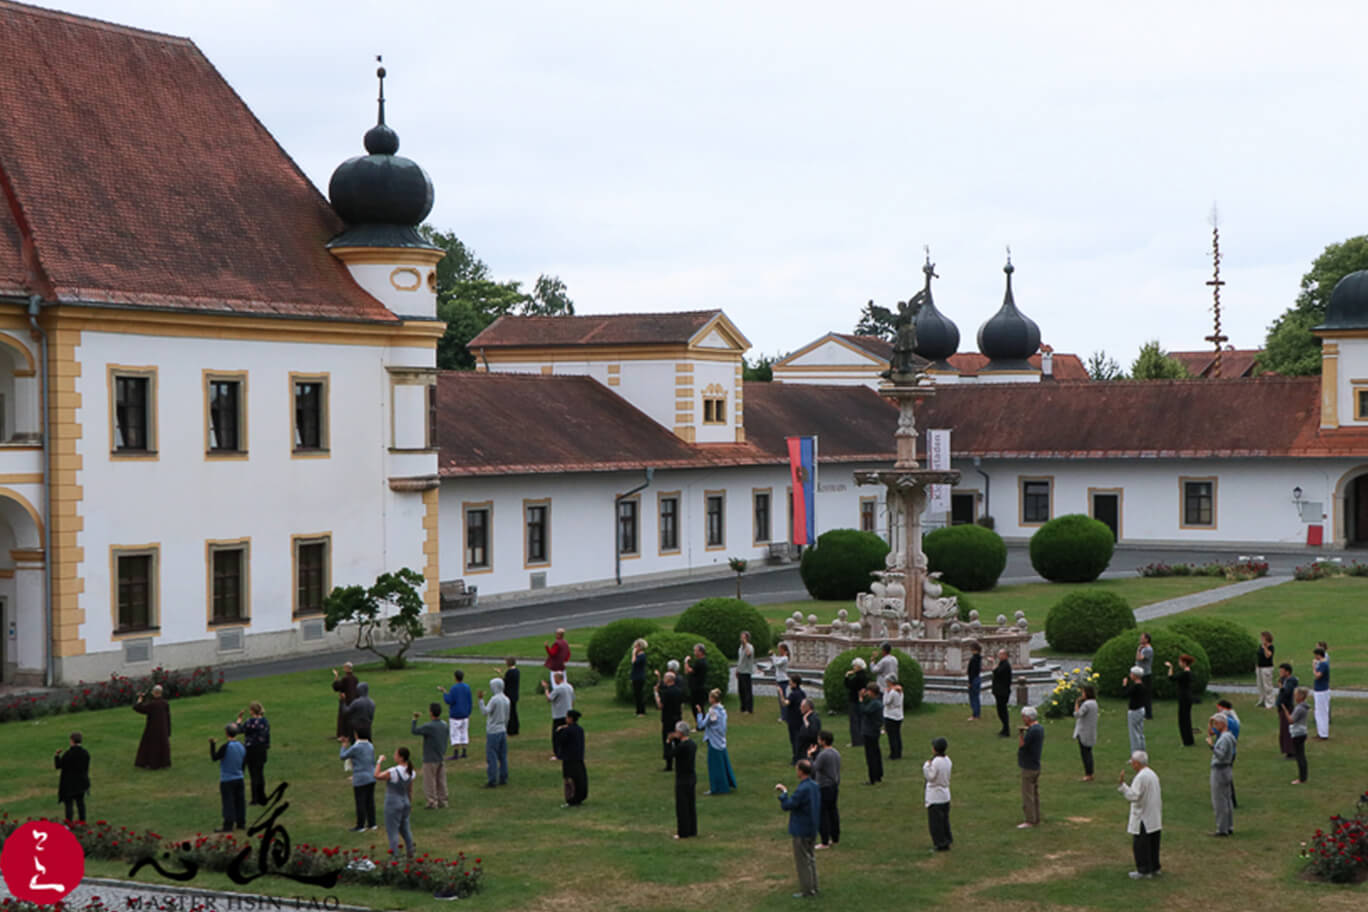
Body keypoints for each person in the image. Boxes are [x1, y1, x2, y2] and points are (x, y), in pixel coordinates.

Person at [776, 758, 822, 898]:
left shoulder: (802, 789)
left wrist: (784, 793)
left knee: (802, 862)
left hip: (801, 829)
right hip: (812, 827)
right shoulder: (814, 786)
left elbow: (788, 805)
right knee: (811, 858)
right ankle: (814, 886)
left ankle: (807, 890)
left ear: (801, 771)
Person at [1117, 750, 1162, 879]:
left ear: (1137, 763)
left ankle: (1143, 870)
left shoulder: (1141, 777)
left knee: (1141, 845)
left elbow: (1134, 796)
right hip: (1153, 814)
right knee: (1153, 843)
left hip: (1143, 816)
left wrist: (1123, 786)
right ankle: (1154, 867)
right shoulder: (1152, 774)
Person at [375, 746, 415, 859]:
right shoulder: (411, 772)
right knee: (406, 830)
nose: (394, 756)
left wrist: (379, 761)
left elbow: (377, 775)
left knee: (392, 832)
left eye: (396, 754)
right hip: (405, 802)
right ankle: (411, 852)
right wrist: (409, 803)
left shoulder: (393, 771)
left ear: (401, 758)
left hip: (393, 803)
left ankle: (395, 858)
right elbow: (410, 790)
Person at [696, 689, 737, 796]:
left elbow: (701, 725)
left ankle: (717, 787)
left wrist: (700, 714)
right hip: (721, 739)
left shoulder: (713, 712)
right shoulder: (723, 710)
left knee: (714, 765)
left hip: (714, 740)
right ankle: (728, 782)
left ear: (713, 699)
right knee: (723, 763)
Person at [411, 703, 449, 810]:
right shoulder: (444, 724)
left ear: (431, 712)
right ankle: (443, 800)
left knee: (429, 781)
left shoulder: (429, 726)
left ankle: (432, 802)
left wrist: (414, 719)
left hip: (430, 758)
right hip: (440, 756)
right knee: (441, 780)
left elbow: (414, 731)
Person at [210, 724, 246, 833]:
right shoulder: (241, 746)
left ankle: (228, 825)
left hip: (227, 779)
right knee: (240, 801)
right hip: (239, 777)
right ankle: (241, 823)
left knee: (228, 802)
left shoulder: (226, 747)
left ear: (226, 733)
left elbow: (214, 757)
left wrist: (212, 745)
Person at [339, 729, 377, 831]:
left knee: (360, 801)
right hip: (371, 776)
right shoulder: (370, 745)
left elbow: (343, 756)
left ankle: (360, 825)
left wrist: (343, 745)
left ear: (357, 735)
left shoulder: (356, 747)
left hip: (360, 777)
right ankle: (372, 823)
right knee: (370, 801)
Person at [809, 731, 840, 849]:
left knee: (822, 814)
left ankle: (824, 841)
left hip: (824, 787)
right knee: (833, 812)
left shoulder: (823, 755)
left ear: (823, 741)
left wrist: (810, 756)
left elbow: (813, 769)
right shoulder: (836, 752)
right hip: (834, 786)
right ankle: (835, 838)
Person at [666, 721, 697, 838]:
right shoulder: (692, 744)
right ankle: (692, 829)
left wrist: (669, 742)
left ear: (680, 732)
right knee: (690, 805)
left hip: (682, 778)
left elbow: (668, 755)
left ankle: (683, 831)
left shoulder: (682, 747)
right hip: (691, 776)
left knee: (682, 806)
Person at [235, 701, 270, 806]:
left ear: (252, 711)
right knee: (260, 774)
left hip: (251, 750)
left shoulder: (250, 722)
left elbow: (239, 730)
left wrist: (239, 720)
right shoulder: (265, 722)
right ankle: (262, 796)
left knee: (253, 774)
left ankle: (254, 798)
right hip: (262, 750)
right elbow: (267, 736)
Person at [1206, 714, 1235, 836]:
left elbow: (1221, 754)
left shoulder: (1224, 739)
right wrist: (1210, 721)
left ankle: (1222, 829)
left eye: (1216, 724)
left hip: (1219, 770)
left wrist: (1211, 746)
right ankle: (1229, 826)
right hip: (1227, 769)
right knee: (1227, 799)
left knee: (1219, 801)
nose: (1215, 727)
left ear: (1223, 724)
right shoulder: (1229, 736)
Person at [477, 679, 510, 788]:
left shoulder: (494, 699)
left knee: (492, 756)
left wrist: (481, 700)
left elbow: (485, 712)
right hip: (502, 729)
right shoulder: (506, 699)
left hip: (493, 730)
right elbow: (507, 717)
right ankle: (503, 777)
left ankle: (492, 780)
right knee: (503, 756)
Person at [923, 737, 953, 851]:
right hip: (945, 794)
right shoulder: (947, 760)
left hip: (935, 795)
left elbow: (930, 777)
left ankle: (940, 843)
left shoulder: (936, 762)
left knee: (935, 822)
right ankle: (947, 839)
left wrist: (926, 766)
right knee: (944, 820)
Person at [54, 732, 90, 822]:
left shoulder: (69, 754)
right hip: (82, 782)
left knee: (69, 805)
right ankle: (83, 822)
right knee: (80, 804)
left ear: (72, 741)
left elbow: (59, 765)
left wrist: (57, 756)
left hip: (69, 784)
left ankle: (69, 823)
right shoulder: (85, 753)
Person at [133, 685, 172, 769]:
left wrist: (140, 698)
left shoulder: (152, 704)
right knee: (162, 745)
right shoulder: (165, 703)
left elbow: (138, 707)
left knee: (151, 745)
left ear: (154, 693)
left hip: (152, 728)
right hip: (163, 728)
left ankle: (152, 763)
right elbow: (168, 717)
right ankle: (164, 763)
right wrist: (168, 730)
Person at [1017, 706, 1044, 828]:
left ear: (1028, 718)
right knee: (1034, 794)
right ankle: (1036, 817)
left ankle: (1029, 820)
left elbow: (1022, 746)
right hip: (1036, 766)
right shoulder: (1039, 728)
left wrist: (1021, 734)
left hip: (1028, 767)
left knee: (1027, 794)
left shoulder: (1032, 731)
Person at [555, 709, 588, 807]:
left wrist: (559, 730)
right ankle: (579, 797)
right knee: (580, 779)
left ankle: (571, 799)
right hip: (578, 758)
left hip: (569, 759)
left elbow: (560, 741)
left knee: (569, 779)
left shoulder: (567, 731)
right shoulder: (580, 730)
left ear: (570, 718)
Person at [655, 670, 686, 771]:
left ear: (668, 680)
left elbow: (660, 706)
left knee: (668, 741)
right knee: (678, 740)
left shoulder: (666, 693)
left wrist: (656, 694)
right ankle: (680, 762)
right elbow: (682, 705)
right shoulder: (679, 691)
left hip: (668, 719)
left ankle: (669, 764)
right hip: (677, 718)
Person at [541, 671, 575, 760]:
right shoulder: (570, 686)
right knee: (568, 734)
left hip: (559, 714)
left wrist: (546, 688)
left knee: (557, 736)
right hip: (568, 713)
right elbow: (573, 700)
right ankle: (568, 751)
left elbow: (549, 698)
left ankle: (558, 754)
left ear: (557, 678)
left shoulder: (558, 688)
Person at [439, 670, 473, 760]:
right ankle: (464, 752)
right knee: (464, 732)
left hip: (455, 715)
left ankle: (456, 753)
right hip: (465, 714)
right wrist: (468, 712)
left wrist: (445, 693)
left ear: (455, 677)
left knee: (455, 734)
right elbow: (470, 701)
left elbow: (449, 701)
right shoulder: (467, 687)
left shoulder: (454, 688)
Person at [1164, 654, 1196, 747]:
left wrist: (1170, 667)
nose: (1179, 663)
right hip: (1188, 697)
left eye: (1180, 661)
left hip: (1184, 698)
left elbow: (1171, 677)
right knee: (1187, 719)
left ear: (1184, 663)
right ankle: (1189, 740)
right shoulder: (1189, 673)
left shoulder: (1184, 674)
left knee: (1183, 720)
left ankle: (1187, 741)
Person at [1282, 687, 1311, 785]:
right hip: (1302, 732)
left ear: (1300, 696)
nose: (1294, 697)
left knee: (1300, 756)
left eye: (1296, 695)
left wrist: (1285, 711)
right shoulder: (1303, 707)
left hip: (1298, 733)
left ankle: (1302, 778)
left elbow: (1291, 720)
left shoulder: (1299, 708)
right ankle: (1303, 777)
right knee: (1301, 755)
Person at [858, 682, 884, 785]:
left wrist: (860, 699)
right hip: (873, 731)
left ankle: (872, 777)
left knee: (871, 755)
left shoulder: (875, 703)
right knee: (876, 753)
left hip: (870, 732)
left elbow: (864, 710)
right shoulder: (876, 702)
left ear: (872, 692)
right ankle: (878, 775)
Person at [1072, 685, 1098, 781]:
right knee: (1088, 752)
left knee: (1085, 753)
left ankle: (1088, 773)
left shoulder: (1087, 704)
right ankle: (1090, 772)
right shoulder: (1094, 703)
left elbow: (1077, 714)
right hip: (1090, 730)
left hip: (1083, 731)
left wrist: (1077, 703)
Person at [843, 658, 869, 747]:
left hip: (854, 700)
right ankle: (862, 740)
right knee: (861, 720)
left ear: (859, 667)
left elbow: (849, 685)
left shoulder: (858, 677)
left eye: (855, 666)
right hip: (861, 700)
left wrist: (846, 676)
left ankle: (856, 741)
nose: (853, 667)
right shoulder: (865, 676)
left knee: (854, 721)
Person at [1276, 663, 1299, 757]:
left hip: (1286, 708)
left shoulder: (1290, 681)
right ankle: (1287, 750)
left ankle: (1291, 751)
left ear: (1287, 672)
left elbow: (1287, 692)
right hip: (1282, 708)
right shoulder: (1285, 680)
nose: (1280, 673)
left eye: (1281, 671)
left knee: (1287, 730)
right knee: (1284, 730)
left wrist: (1281, 687)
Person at [784, 675, 808, 763]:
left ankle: (796, 758)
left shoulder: (793, 694)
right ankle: (802, 756)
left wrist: (781, 694)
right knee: (800, 738)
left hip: (793, 720)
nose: (789, 683)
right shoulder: (802, 693)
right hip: (801, 719)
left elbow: (786, 703)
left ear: (794, 683)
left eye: (790, 681)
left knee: (794, 739)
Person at [1122, 666, 1146, 752]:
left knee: (1134, 734)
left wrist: (1124, 685)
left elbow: (1125, 694)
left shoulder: (1135, 687)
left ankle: (1135, 754)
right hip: (1141, 709)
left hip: (1134, 711)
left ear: (1135, 676)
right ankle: (1142, 751)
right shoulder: (1142, 685)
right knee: (1140, 732)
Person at [331, 663, 358, 739]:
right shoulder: (355, 678)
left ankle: (343, 735)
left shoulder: (345, 678)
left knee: (343, 718)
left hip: (346, 701)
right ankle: (351, 734)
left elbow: (337, 687)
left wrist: (336, 676)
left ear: (347, 669)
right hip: (354, 701)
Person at [991, 649, 1013, 737]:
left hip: (1002, 692)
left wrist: (993, 664)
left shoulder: (1006, 665)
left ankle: (1006, 730)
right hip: (999, 691)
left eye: (1001, 654)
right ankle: (1004, 729)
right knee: (1000, 711)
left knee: (1003, 711)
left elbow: (996, 672)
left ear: (1005, 656)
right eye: (999, 654)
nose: (999, 656)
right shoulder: (1002, 664)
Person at [1312, 646, 1330, 740]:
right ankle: (1320, 732)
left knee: (1322, 712)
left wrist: (1314, 668)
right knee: (1318, 712)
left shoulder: (1323, 664)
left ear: (1319, 655)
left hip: (1322, 690)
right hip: (1319, 689)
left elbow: (1318, 675)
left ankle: (1324, 733)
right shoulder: (1321, 664)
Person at [883, 677, 904, 760]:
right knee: (897, 735)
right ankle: (898, 752)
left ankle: (894, 754)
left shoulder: (891, 692)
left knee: (892, 736)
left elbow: (886, 702)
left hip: (891, 715)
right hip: (899, 716)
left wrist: (886, 692)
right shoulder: (899, 691)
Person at [684, 644, 709, 713]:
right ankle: (701, 721)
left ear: (700, 652)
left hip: (697, 688)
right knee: (699, 706)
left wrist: (686, 661)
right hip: (699, 687)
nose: (694, 652)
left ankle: (701, 722)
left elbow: (688, 671)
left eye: (695, 651)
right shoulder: (703, 661)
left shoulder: (700, 662)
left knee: (696, 707)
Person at [769, 643, 791, 720]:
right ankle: (784, 714)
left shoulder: (785, 658)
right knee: (780, 699)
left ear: (783, 650)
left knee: (782, 699)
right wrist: (773, 656)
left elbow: (776, 663)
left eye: (780, 649)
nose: (779, 650)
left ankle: (784, 716)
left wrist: (772, 655)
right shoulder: (781, 658)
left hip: (783, 680)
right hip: (779, 680)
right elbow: (775, 662)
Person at [1135, 632, 1155, 719]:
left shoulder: (1148, 650)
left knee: (1146, 694)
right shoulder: (1143, 648)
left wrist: (1139, 650)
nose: (1140, 639)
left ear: (1147, 639)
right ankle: (1142, 712)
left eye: (1142, 638)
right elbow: (1137, 658)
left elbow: (1140, 658)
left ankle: (1148, 714)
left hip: (1146, 674)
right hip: (1141, 673)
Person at [736, 631, 755, 714]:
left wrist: (746, 644)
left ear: (747, 638)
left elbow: (748, 654)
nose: (741, 639)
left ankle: (749, 708)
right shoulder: (740, 648)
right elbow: (739, 659)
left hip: (746, 671)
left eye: (743, 637)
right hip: (740, 671)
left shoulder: (750, 647)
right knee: (741, 690)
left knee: (747, 691)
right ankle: (743, 707)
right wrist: (737, 669)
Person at [1255, 632, 1276, 709]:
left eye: (1263, 638)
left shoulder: (1271, 647)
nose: (1261, 639)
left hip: (1267, 668)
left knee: (1267, 685)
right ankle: (1262, 701)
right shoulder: (1260, 646)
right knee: (1260, 685)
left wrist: (1265, 648)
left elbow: (1268, 656)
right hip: (1260, 668)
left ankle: (1270, 702)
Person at [630, 639, 650, 716]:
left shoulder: (642, 656)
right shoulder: (639, 655)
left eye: (636, 646)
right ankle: (638, 710)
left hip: (639, 677)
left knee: (639, 694)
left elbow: (634, 662)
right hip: (635, 676)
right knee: (636, 694)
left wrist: (634, 653)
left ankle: (642, 711)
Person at [502, 657, 521, 736]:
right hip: (515, 694)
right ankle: (515, 728)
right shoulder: (517, 671)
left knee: (510, 713)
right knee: (514, 712)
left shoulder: (509, 672)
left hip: (509, 694)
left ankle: (511, 729)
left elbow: (506, 682)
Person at [966, 642, 983, 722]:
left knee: (973, 697)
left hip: (974, 679)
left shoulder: (974, 659)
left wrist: (970, 682)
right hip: (977, 678)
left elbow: (972, 672)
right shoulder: (979, 658)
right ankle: (977, 714)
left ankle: (975, 714)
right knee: (976, 697)